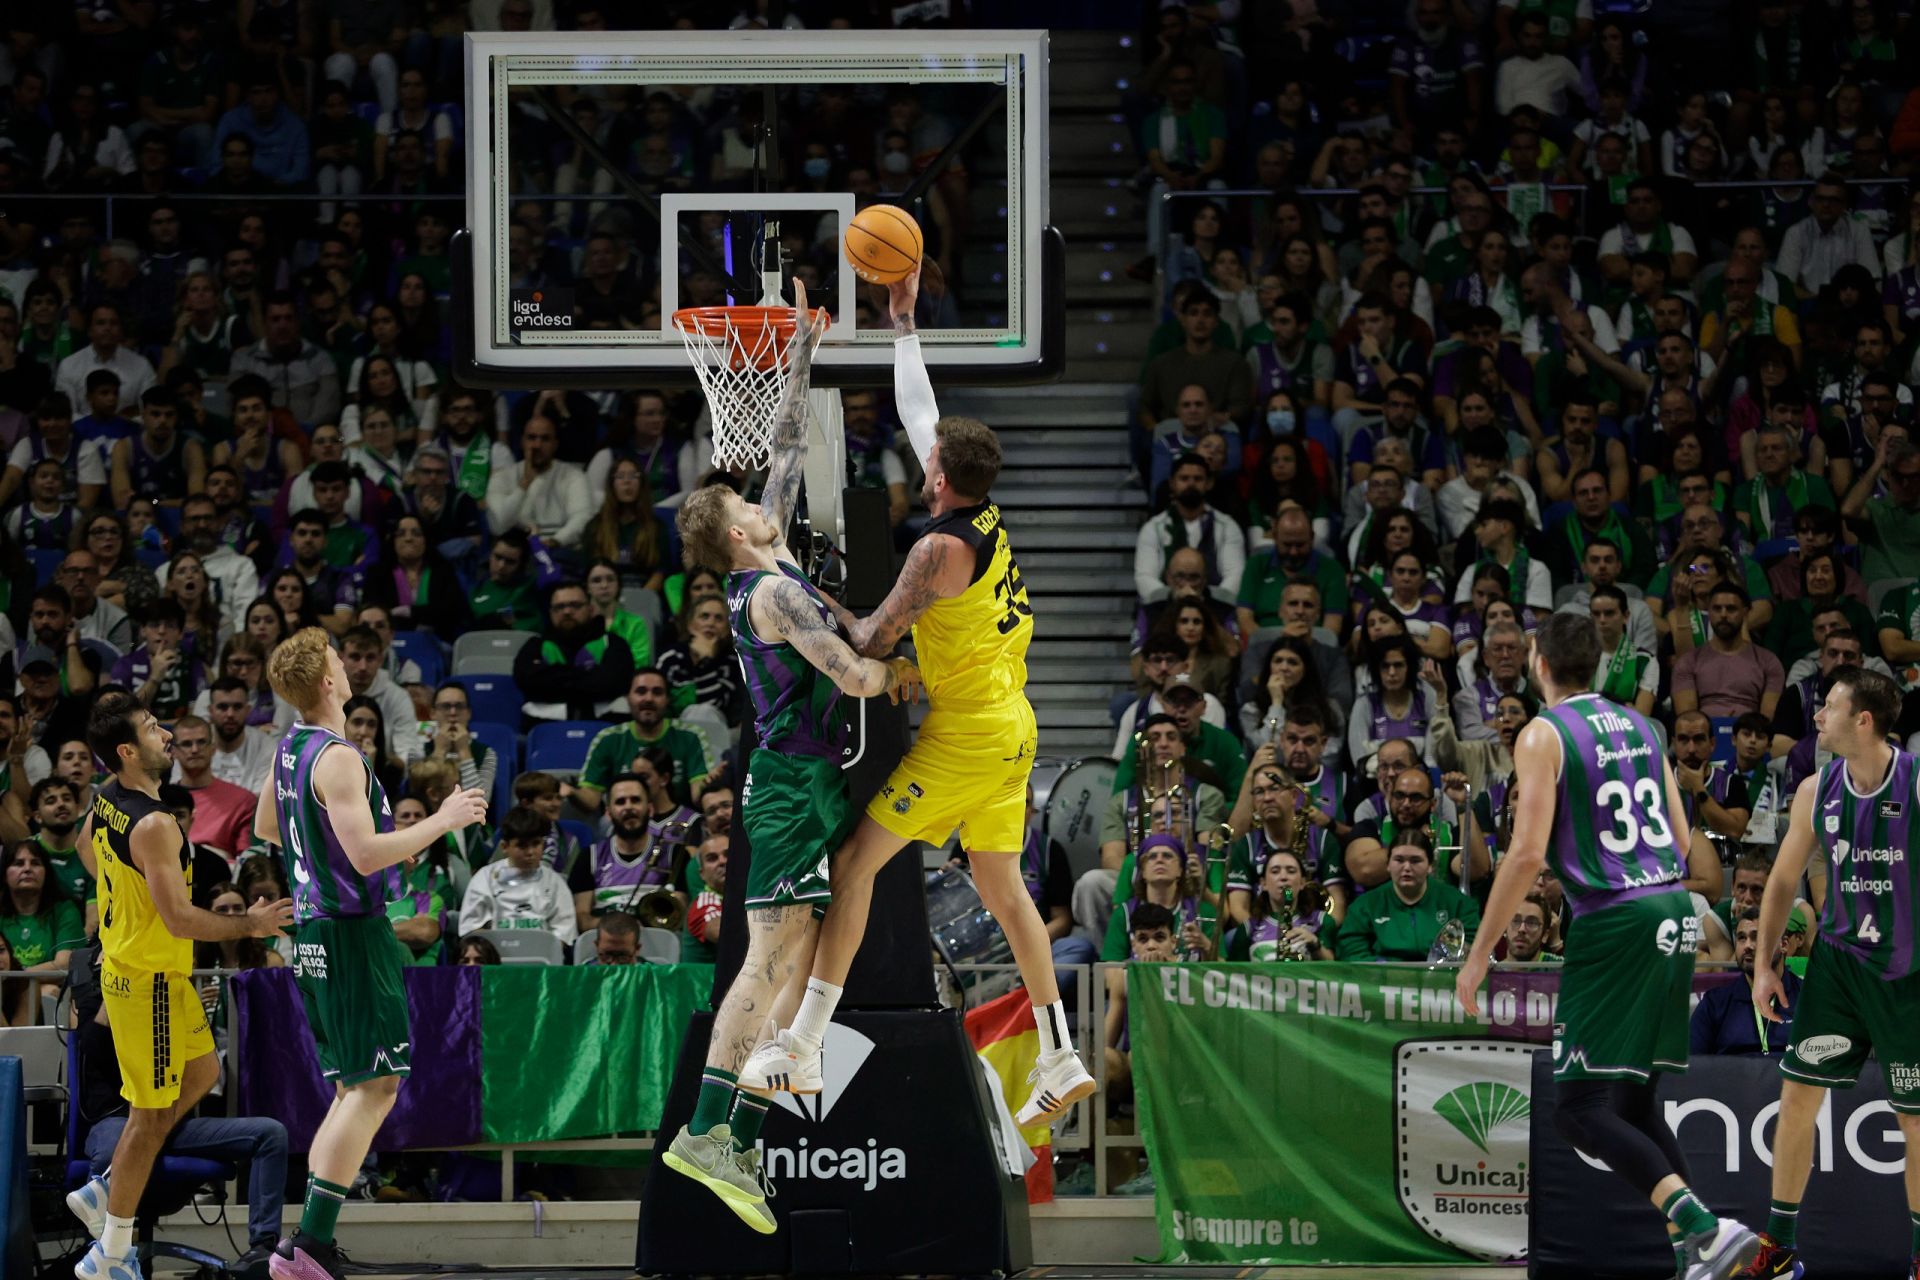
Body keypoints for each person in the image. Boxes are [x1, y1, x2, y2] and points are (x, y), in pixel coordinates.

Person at [739, 268, 1094, 1129]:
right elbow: (921, 412)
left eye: (927, 455)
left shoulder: (935, 553)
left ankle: (803, 1042)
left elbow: (871, 640)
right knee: (1006, 891)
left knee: (857, 863)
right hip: (1013, 724)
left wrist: (794, 598)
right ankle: (1059, 1054)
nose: (920, 451)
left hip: (970, 735)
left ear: (938, 476)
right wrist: (902, 325)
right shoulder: (982, 515)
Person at [663, 283, 919, 1228]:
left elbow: (778, 453)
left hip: (808, 784)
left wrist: (804, 349)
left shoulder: (768, 560)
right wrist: (897, 653)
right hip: (782, 789)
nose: (765, 502)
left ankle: (744, 1140)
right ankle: (703, 1129)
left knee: (804, 956)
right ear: (739, 532)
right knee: (765, 963)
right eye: (748, 505)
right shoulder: (773, 598)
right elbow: (852, 678)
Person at [1455, 613, 1761, 1280]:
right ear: (1596, 663)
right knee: (1630, 1104)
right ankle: (1701, 1249)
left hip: (1615, 919)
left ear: (1538, 663)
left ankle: (1703, 1228)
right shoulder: (1643, 728)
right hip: (1673, 910)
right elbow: (1683, 842)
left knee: (1579, 1110)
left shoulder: (1543, 733)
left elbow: (1527, 852)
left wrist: (1480, 953)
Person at [252, 628, 486, 1280]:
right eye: (337, 658)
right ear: (327, 680)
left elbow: (266, 828)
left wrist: (336, 845)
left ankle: (304, 1247)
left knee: (354, 1089)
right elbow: (361, 856)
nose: (346, 664)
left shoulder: (289, 749)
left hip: (312, 937)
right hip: (351, 935)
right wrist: (442, 818)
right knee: (375, 1087)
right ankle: (309, 1246)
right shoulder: (338, 757)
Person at [66, 692, 291, 1280]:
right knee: (148, 1117)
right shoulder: (158, 823)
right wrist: (253, 924)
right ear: (126, 750)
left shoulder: (108, 798)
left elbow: (86, 847)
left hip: (147, 969)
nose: (165, 734)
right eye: (151, 729)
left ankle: (106, 1187)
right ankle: (109, 1255)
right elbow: (182, 920)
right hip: (150, 984)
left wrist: (122, 898)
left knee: (203, 1073)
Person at [1745, 668, 1920, 1280]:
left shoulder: (1918, 783)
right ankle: (1781, 1248)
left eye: (1829, 707)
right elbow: (1784, 880)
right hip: (1839, 969)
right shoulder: (1816, 790)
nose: (1816, 717)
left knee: (1915, 1118)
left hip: (1908, 972)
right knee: (1796, 1100)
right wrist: (1764, 966)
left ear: (1863, 720)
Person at [66, 938, 289, 1276]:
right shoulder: (90, 988)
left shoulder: (168, 990)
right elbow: (93, 1052)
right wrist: (120, 981)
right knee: (113, 1152)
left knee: (270, 1134)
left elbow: (202, 1071)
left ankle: (262, 1253)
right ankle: (107, 1254)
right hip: (116, 1118)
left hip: (171, 1119)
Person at [1336, 838, 1480, 961]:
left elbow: (1474, 945)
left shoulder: (1458, 903)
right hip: (1382, 987)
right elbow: (1351, 952)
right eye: (1398, 860)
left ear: (1430, 866)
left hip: (1441, 985)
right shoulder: (1365, 906)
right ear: (1388, 865)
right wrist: (1383, 971)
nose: (1406, 868)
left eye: (1415, 861)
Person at [456, 806, 577, 942]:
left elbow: (564, 936)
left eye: (536, 844)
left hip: (542, 959)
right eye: (522, 846)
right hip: (495, 958)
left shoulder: (555, 882)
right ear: (505, 847)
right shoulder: (484, 879)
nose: (530, 852)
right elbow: (471, 930)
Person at [1689, 908, 1797, 1057]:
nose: (1747, 945)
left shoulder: (1809, 1000)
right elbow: (1694, 1065)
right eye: (1741, 938)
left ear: (1783, 944)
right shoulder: (1714, 1004)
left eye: (1757, 937)